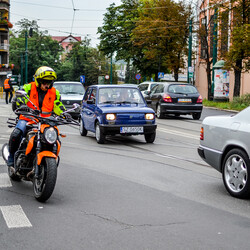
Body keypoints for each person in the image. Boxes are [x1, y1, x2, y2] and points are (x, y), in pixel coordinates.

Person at [7, 66, 71, 167]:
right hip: (28, 119)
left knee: (56, 139)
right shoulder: (28, 88)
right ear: (38, 80)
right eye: (44, 82)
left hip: (46, 122)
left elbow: (58, 105)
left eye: (49, 82)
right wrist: (23, 106)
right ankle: (11, 156)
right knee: (17, 133)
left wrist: (64, 113)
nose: (47, 85)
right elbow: (20, 99)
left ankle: (50, 162)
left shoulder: (54, 92)